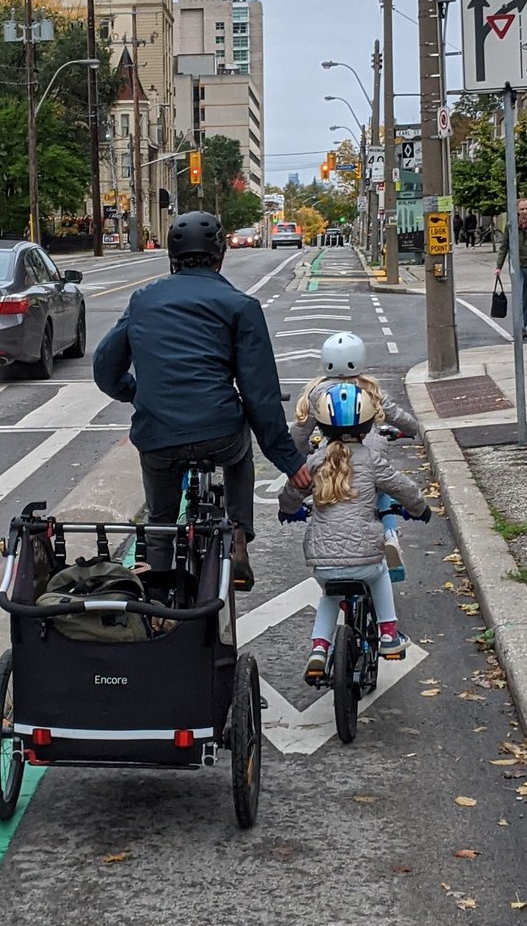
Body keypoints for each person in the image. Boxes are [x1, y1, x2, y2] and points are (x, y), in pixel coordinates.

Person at [92, 210, 308, 588]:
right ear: (220, 255)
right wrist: (289, 460)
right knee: (239, 451)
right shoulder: (240, 306)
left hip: (157, 435)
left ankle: (158, 595)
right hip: (219, 433)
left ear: (171, 260)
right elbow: (260, 394)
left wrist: (136, 393)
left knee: (160, 517)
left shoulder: (143, 300)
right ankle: (238, 534)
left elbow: (105, 368)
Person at [281, 382, 429, 684]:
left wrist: (288, 510)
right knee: (380, 574)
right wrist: (419, 509)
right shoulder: (372, 461)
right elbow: (404, 488)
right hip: (365, 557)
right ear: (366, 426)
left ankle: (318, 650)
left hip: (322, 561)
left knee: (329, 595)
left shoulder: (313, 461)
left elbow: (291, 494)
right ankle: (388, 634)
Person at [281, 332, 418, 582]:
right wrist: (412, 429)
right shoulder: (369, 388)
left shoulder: (317, 391)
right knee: (383, 484)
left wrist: (297, 457)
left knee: (336, 489)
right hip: (372, 449)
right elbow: (395, 415)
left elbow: (301, 431)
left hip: (333, 452)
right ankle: (389, 536)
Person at [495, 198, 527, 340]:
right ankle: (520, 327)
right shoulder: (511, 226)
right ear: (517, 211)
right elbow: (504, 246)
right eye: (522, 209)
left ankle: (525, 324)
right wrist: (498, 266)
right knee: (519, 297)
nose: (525, 212)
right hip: (518, 266)